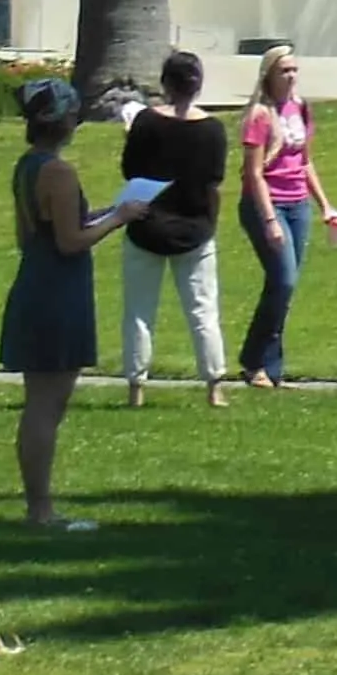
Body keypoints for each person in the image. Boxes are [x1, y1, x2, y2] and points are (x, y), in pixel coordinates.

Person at [14, 78, 139, 530]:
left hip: (35, 283)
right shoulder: (59, 172)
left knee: (38, 403)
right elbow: (71, 241)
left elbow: (40, 230)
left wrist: (107, 212)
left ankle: (37, 507)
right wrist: (119, 219)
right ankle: (41, 510)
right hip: (58, 291)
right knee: (48, 406)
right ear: (63, 119)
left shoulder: (28, 165)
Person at [116, 48, 234, 410]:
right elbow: (214, 183)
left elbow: (129, 170)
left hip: (145, 223)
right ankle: (214, 385)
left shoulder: (146, 123)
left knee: (139, 310)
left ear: (166, 83)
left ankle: (136, 387)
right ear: (198, 85)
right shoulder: (213, 130)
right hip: (194, 227)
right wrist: (210, 224)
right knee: (202, 310)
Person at [232, 46, 337, 390]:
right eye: (284, 70)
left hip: (298, 205)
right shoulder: (259, 116)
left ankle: (272, 367)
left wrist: (326, 205)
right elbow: (253, 175)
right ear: (269, 74)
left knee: (284, 286)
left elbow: (305, 161)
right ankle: (253, 362)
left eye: (295, 69)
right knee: (283, 281)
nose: (291, 76)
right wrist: (268, 220)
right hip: (266, 205)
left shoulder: (301, 108)